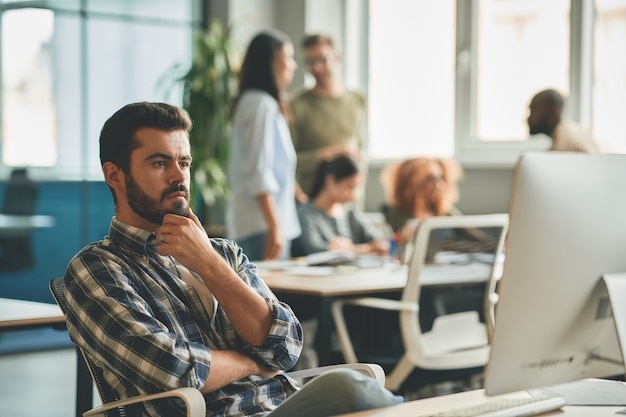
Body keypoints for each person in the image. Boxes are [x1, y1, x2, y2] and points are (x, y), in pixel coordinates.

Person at [62, 102, 403, 417]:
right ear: (114, 175)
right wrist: (251, 362)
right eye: (159, 163)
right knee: (350, 386)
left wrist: (208, 263)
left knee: (361, 388)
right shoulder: (97, 268)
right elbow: (174, 369)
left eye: (184, 162)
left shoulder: (223, 253)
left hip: (281, 405)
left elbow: (285, 348)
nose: (178, 176)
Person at [227, 30, 301, 261]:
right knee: (264, 296)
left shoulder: (259, 102)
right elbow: (258, 171)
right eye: (288, 57)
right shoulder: (261, 104)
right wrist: (274, 226)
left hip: (263, 222)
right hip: (262, 225)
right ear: (271, 62)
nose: (293, 65)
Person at [289, 34, 367, 198]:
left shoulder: (358, 101)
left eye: (322, 60)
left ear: (336, 57)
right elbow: (288, 161)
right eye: (311, 62)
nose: (316, 68)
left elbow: (361, 150)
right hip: (312, 202)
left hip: (350, 203)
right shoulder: (296, 105)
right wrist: (328, 154)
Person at [291, 155, 388, 258]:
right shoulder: (305, 213)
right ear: (331, 181)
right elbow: (314, 250)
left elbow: (379, 240)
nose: (353, 195)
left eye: (357, 188)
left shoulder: (350, 212)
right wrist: (366, 249)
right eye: (349, 187)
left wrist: (350, 249)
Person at [527, 88, 599, 153]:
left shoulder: (563, 144)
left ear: (553, 114)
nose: (528, 118)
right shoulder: (570, 130)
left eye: (534, 112)